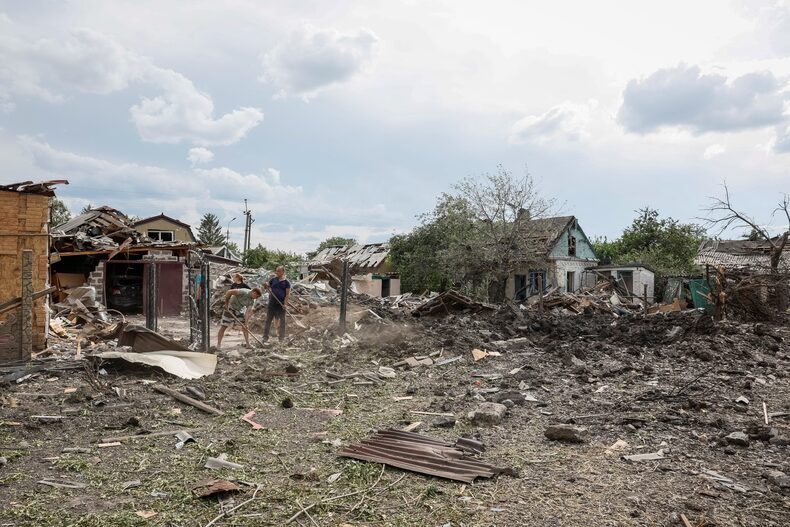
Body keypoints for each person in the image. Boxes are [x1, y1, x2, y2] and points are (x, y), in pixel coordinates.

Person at [262, 265, 291, 341]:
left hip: (281, 304)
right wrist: (265, 285)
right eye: (276, 271)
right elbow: (267, 286)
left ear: (283, 272)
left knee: (282, 321)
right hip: (272, 302)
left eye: (278, 271)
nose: (276, 272)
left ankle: (281, 337)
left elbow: (287, 294)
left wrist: (285, 304)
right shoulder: (273, 280)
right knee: (268, 319)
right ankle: (265, 337)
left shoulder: (286, 282)